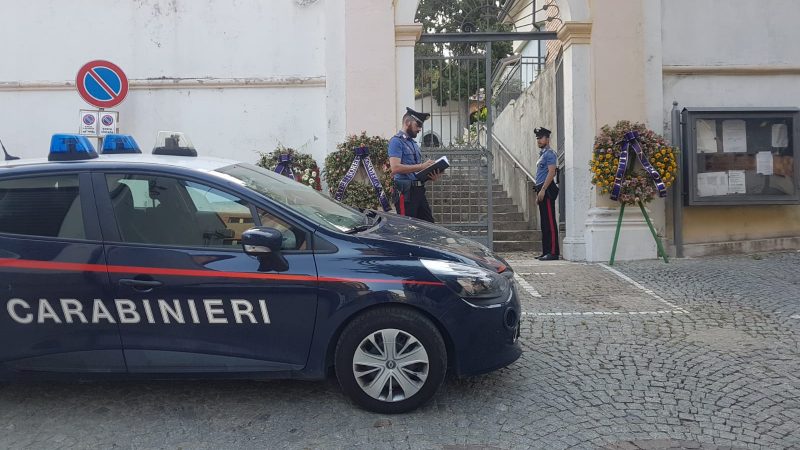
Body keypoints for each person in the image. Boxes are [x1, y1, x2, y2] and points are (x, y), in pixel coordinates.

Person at [388, 107, 442, 222]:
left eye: (421, 126)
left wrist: (429, 175)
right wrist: (422, 166)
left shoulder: (414, 144)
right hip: (405, 193)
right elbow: (395, 168)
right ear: (407, 123)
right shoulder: (396, 141)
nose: (419, 129)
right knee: (406, 228)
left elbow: (415, 172)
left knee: (428, 226)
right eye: (417, 125)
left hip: (419, 191)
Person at [533, 127, 560, 260]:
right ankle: (546, 251)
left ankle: (553, 252)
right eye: (537, 138)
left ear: (547, 139)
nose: (538, 140)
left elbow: (551, 172)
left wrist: (543, 189)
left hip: (547, 189)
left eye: (541, 137)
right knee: (544, 223)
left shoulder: (550, 154)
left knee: (549, 221)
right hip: (541, 189)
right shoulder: (542, 154)